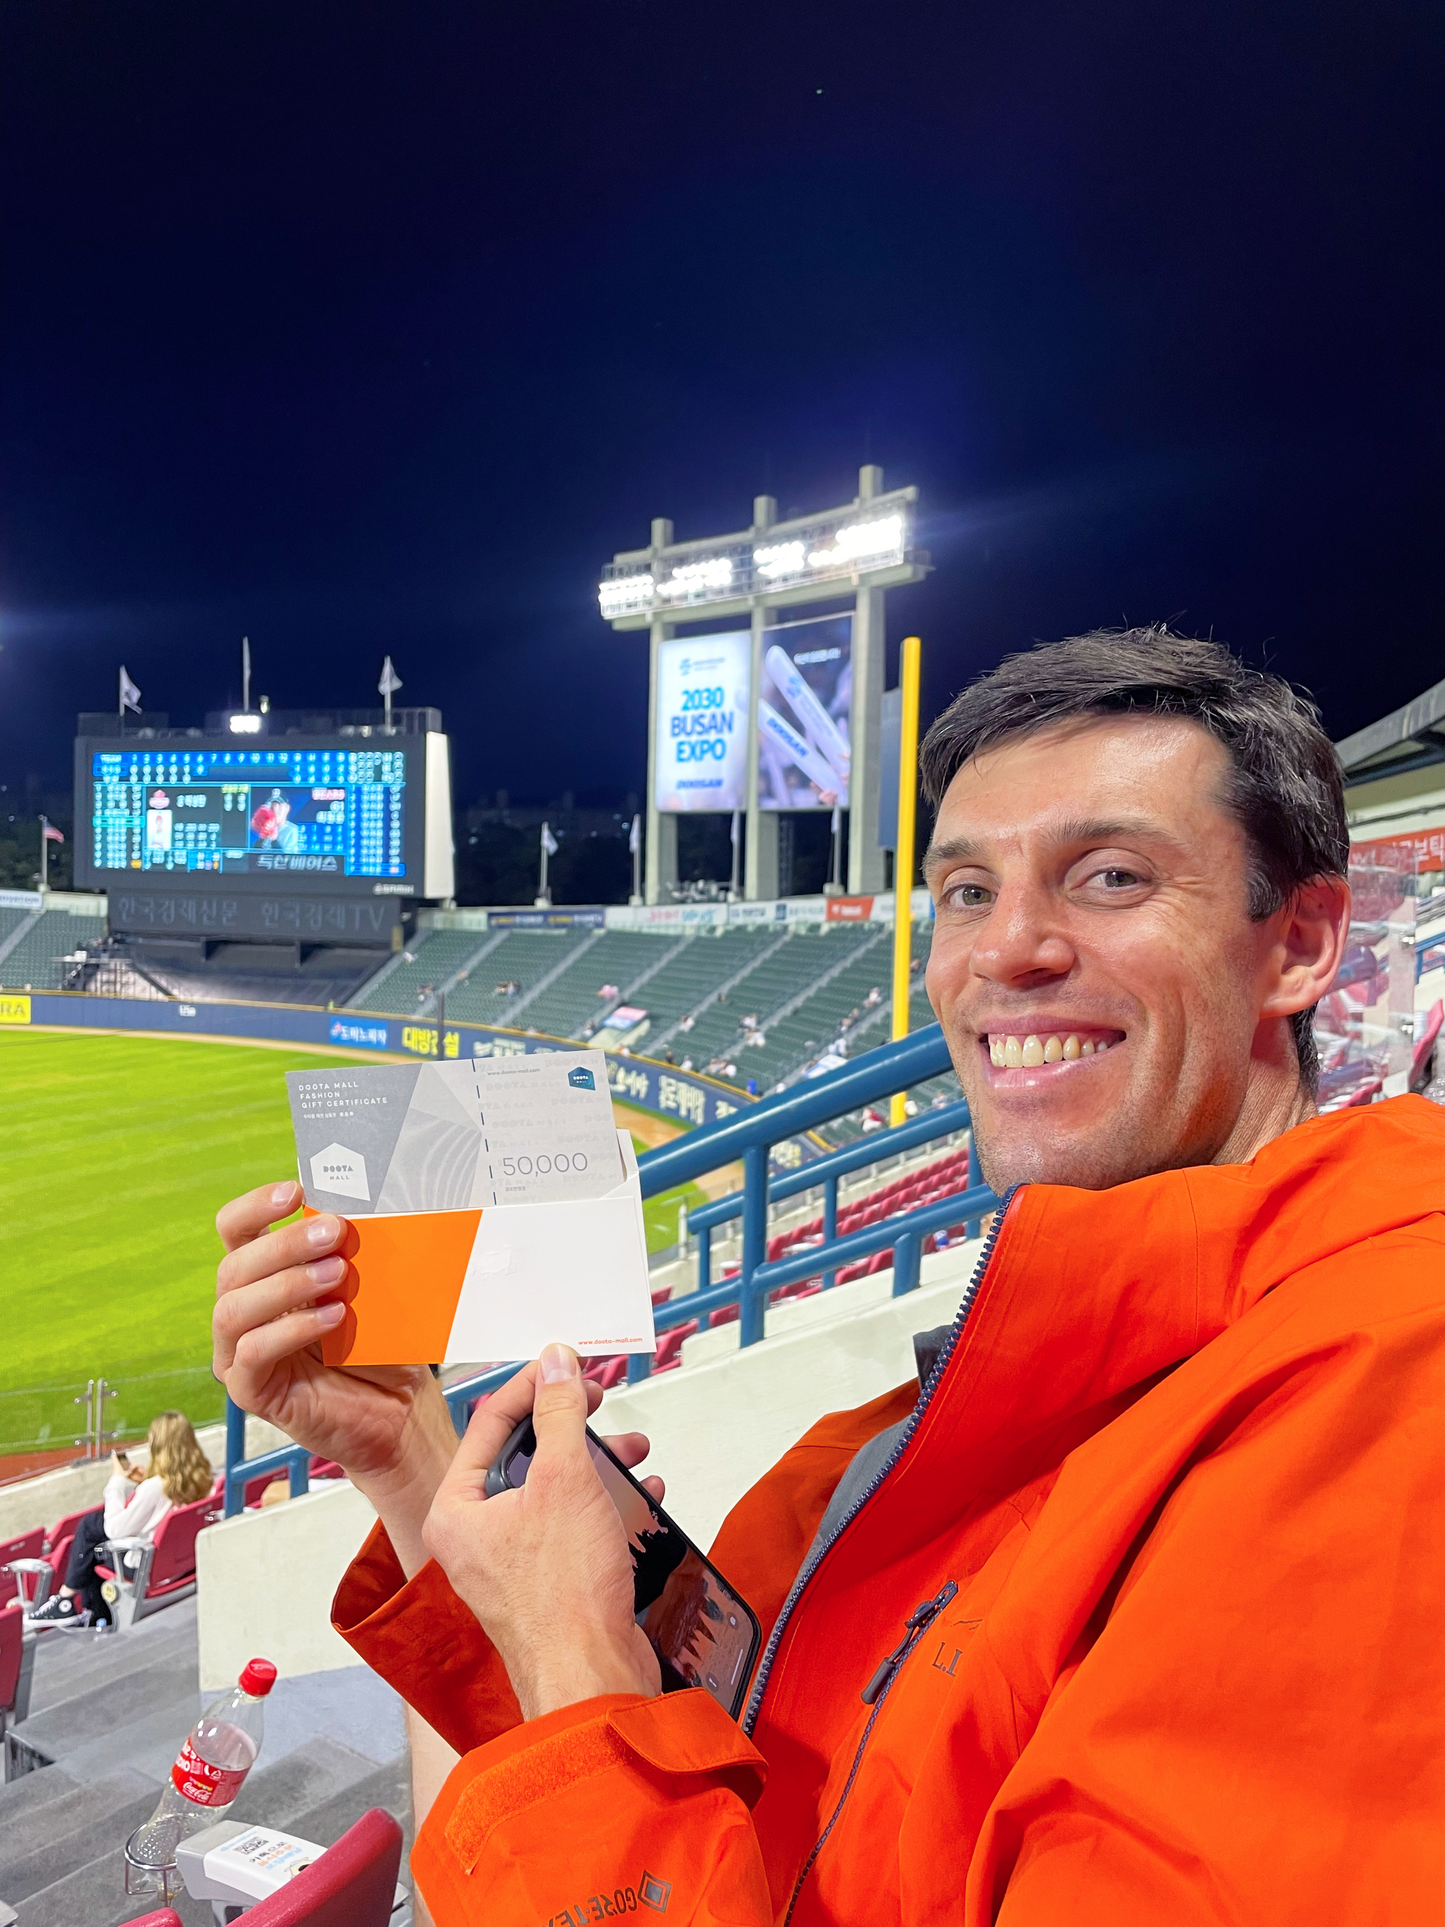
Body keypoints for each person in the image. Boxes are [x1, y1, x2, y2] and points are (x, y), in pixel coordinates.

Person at [213, 627, 1445, 1924]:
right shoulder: (988, 1395)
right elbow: (705, 1797)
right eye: (966, 890)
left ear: (1301, 942)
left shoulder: (1388, 1388)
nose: (1006, 946)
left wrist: (576, 1653)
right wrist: (413, 1456)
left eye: (1108, 874)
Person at [28, 1410, 214, 1626]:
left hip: (146, 1566)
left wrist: (117, 1481)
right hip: (181, 1560)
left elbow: (115, 1530)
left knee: (92, 1536)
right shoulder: (202, 1478)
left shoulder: (155, 1488)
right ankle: (71, 1603)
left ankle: (69, 1601)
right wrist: (145, 1481)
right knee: (93, 1532)